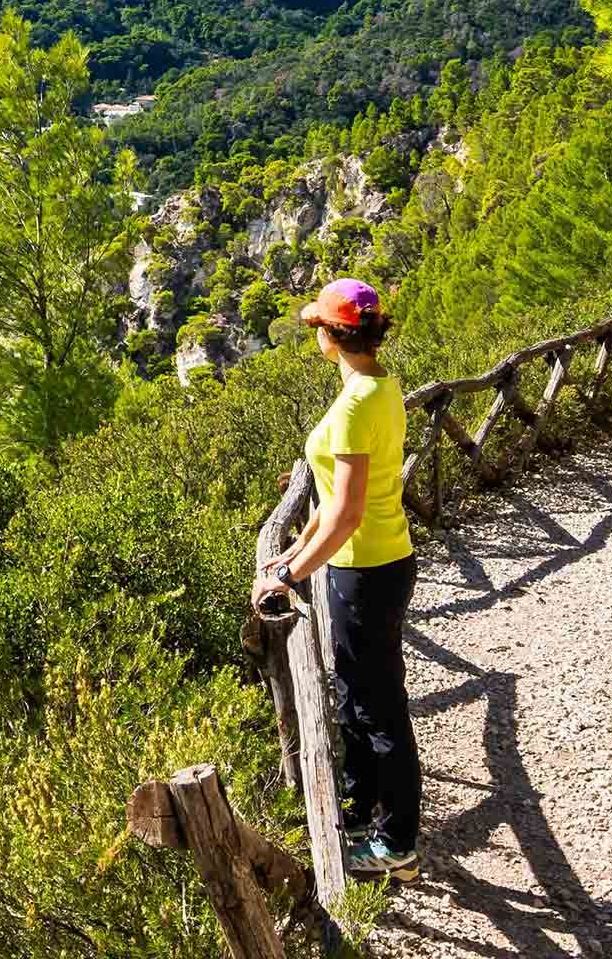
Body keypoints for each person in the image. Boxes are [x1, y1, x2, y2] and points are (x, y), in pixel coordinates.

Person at [252, 276, 420, 881]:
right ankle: (364, 822)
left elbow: (346, 513)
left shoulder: (353, 408)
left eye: (317, 325)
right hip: (385, 558)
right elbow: (334, 494)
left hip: (364, 572)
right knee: (361, 696)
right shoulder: (380, 387)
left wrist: (288, 576)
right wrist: (295, 547)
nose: (314, 334)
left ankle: (396, 843)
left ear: (331, 334)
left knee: (376, 709)